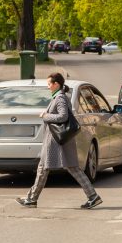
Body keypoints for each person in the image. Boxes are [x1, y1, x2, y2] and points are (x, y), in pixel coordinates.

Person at [17, 72, 102, 209]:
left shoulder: (60, 98)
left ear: (56, 84)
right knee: (71, 168)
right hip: (61, 140)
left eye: (49, 84)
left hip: (56, 140)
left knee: (43, 168)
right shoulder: (59, 96)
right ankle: (92, 196)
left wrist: (46, 116)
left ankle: (31, 199)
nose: (48, 86)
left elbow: (62, 117)